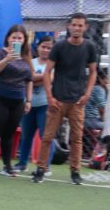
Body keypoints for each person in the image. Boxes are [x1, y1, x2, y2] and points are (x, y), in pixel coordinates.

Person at [34, 13, 98, 185]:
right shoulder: (59, 46)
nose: (77, 28)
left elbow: (93, 72)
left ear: (85, 27)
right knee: (47, 137)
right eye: (74, 25)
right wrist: (50, 96)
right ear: (69, 26)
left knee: (77, 138)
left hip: (77, 101)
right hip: (57, 100)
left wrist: (87, 94)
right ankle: (40, 169)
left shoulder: (89, 47)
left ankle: (75, 172)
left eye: (80, 25)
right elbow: (47, 72)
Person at [0, 25, 33, 177]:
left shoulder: (26, 56)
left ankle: (7, 165)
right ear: (8, 39)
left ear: (24, 40)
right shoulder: (0, 53)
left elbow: (29, 79)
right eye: (14, 37)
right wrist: (7, 59)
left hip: (17, 99)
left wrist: (28, 100)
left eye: (20, 38)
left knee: (9, 133)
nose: (16, 40)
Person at [15, 35, 53, 173]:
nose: (46, 50)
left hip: (45, 104)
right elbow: (25, 79)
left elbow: (49, 79)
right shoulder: (31, 62)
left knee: (45, 136)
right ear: (38, 47)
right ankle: (22, 163)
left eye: (49, 48)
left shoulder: (53, 64)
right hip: (28, 104)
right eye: (43, 47)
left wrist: (32, 79)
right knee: (26, 135)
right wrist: (42, 77)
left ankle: (45, 166)